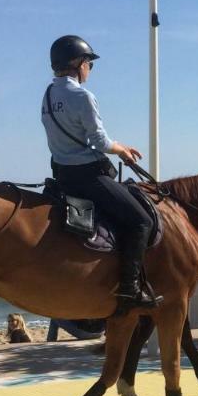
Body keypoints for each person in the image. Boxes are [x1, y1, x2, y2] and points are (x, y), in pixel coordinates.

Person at [41, 35, 161, 311]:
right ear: (78, 64)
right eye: (89, 64)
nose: (89, 70)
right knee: (141, 220)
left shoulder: (47, 96)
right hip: (88, 176)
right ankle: (130, 288)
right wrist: (121, 150)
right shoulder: (82, 95)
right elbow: (99, 141)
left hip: (62, 176)